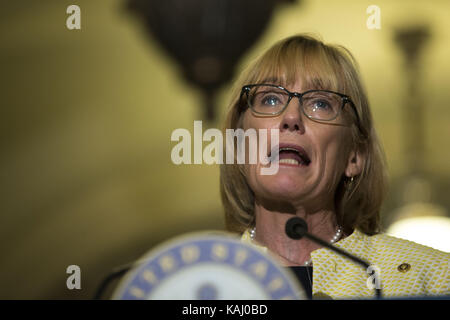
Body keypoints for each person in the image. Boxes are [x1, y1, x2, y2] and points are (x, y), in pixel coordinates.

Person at [219, 34, 449, 299]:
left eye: (321, 103)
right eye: (270, 99)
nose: (291, 117)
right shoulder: (195, 280)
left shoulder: (434, 277)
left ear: (354, 156)